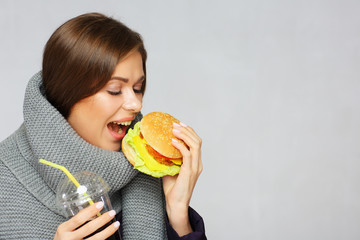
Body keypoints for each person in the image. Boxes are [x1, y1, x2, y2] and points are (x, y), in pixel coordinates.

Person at [0, 13, 206, 240]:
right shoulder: (5, 180)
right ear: (67, 94)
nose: (136, 104)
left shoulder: (148, 165)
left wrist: (178, 215)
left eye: (138, 88)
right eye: (115, 90)